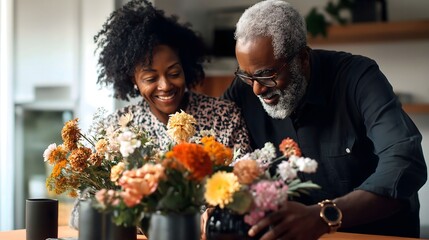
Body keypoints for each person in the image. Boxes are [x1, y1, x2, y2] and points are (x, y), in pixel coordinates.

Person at [217, 0, 427, 239]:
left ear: (303, 58)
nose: (256, 90)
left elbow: (406, 163)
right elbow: (213, 151)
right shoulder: (245, 88)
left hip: (376, 234)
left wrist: (324, 215)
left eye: (267, 75)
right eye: (246, 76)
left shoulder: (358, 78)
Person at [70, 0, 251, 229]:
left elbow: (248, 190)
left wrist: (221, 213)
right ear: (132, 81)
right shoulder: (115, 131)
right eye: (150, 78)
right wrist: (116, 206)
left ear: (186, 67)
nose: (165, 85)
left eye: (174, 73)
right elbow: (79, 214)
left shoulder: (224, 117)